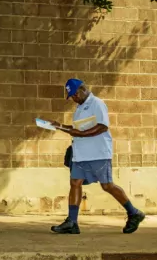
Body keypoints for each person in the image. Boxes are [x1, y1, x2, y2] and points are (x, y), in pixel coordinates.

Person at [49, 78, 145, 234]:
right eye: (71, 96)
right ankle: (72, 222)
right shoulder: (79, 108)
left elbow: (102, 126)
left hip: (98, 153)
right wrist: (59, 126)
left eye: (74, 94)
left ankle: (134, 213)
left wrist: (81, 133)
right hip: (80, 154)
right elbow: (76, 129)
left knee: (107, 185)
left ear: (83, 89)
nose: (73, 98)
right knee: (75, 183)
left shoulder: (97, 104)